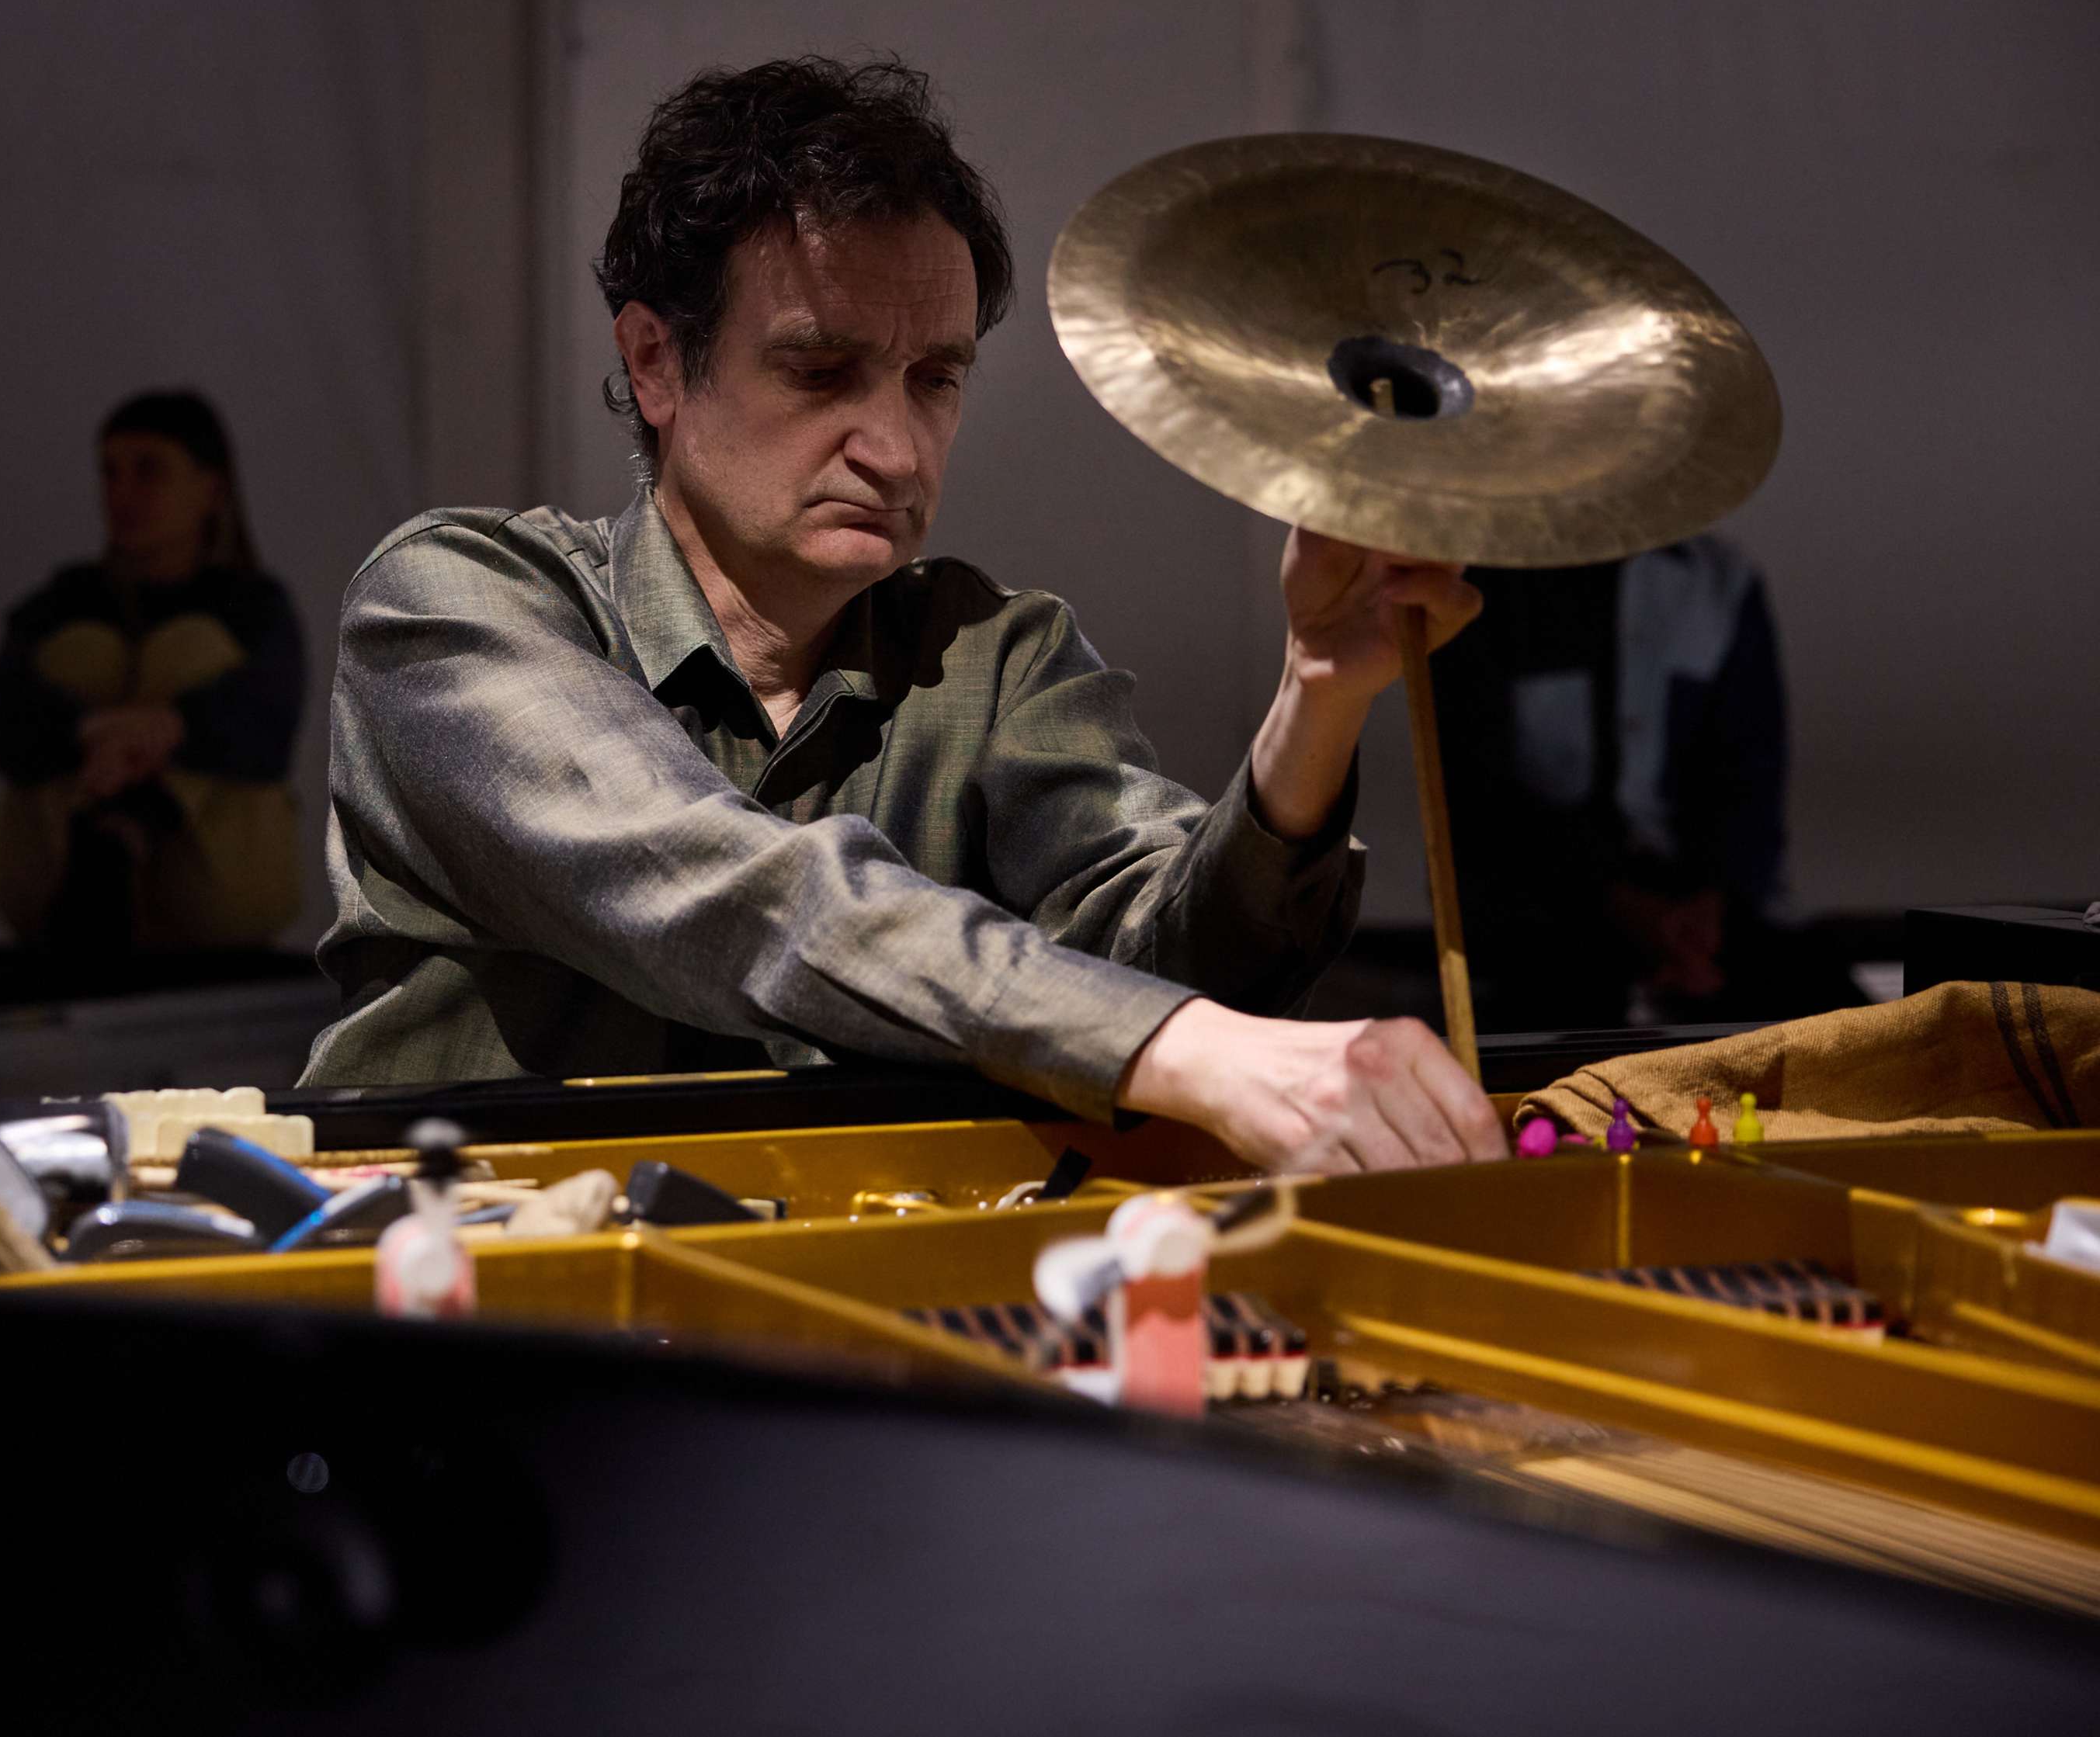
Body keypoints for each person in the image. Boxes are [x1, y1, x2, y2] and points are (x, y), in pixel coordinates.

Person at [300, 57, 1505, 1176]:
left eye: (936, 379)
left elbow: (1173, 972)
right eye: (820, 372)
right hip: (446, 1294)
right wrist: (1177, 1042)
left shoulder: (997, 654)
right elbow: (730, 898)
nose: (894, 448)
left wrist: (1318, 694)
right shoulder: (453, 601)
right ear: (656, 362)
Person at [1432, 536, 1838, 1027]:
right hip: (1538, 909)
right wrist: (1620, 902)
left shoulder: (1720, 581)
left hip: (1705, 906)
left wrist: (1707, 911)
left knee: (1843, 1029)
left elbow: (1750, 769)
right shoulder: (1489, 587)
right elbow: (1477, 795)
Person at [0, 390, 304, 962]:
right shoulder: (66, 598)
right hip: (57, 889)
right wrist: (89, 729)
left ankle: (123, 833)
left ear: (211, 489)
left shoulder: (253, 605)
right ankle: (101, 849)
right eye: (110, 472)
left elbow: (272, 717)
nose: (120, 493)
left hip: (212, 899)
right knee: (82, 652)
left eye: (149, 470)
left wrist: (169, 727)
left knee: (191, 646)